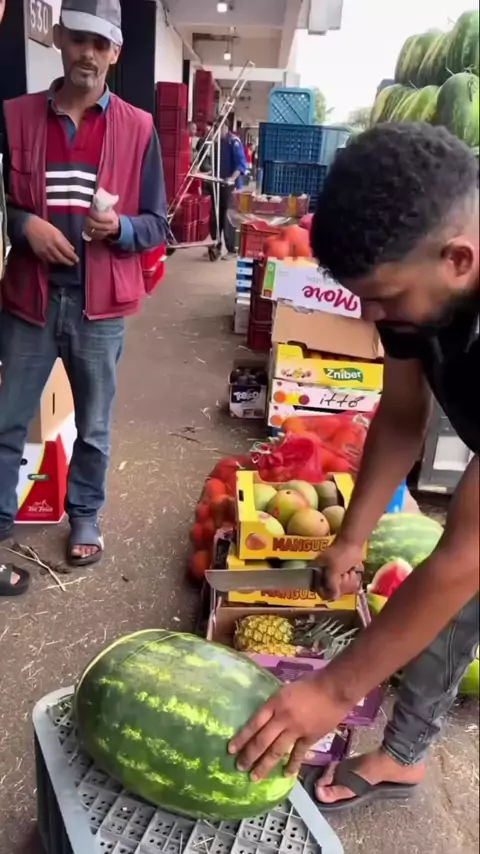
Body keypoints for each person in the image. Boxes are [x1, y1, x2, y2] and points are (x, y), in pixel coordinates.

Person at [229, 123, 479, 812]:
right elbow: (400, 415)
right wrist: (352, 536)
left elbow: (467, 553)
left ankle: (404, 750)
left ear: (459, 260)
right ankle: (405, 756)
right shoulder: (416, 270)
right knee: (452, 599)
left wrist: (332, 691)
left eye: (386, 298)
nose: (372, 316)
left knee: (460, 581)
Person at [0, 0, 167, 581]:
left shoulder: (138, 128)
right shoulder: (16, 116)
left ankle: (85, 516)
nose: (87, 54)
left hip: (100, 307)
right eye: (78, 39)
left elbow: (158, 224)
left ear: (115, 52)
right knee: (7, 421)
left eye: (100, 44)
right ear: (58, 38)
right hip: (30, 300)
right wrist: (24, 225)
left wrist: (120, 228)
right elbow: (1, 203)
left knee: (93, 427)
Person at [214, 119, 246, 259]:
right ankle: (216, 246)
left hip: (231, 186)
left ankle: (232, 250)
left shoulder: (234, 142)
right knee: (217, 216)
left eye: (219, 128)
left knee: (228, 217)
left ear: (226, 127)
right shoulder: (217, 142)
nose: (216, 131)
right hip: (219, 183)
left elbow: (241, 165)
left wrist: (232, 179)